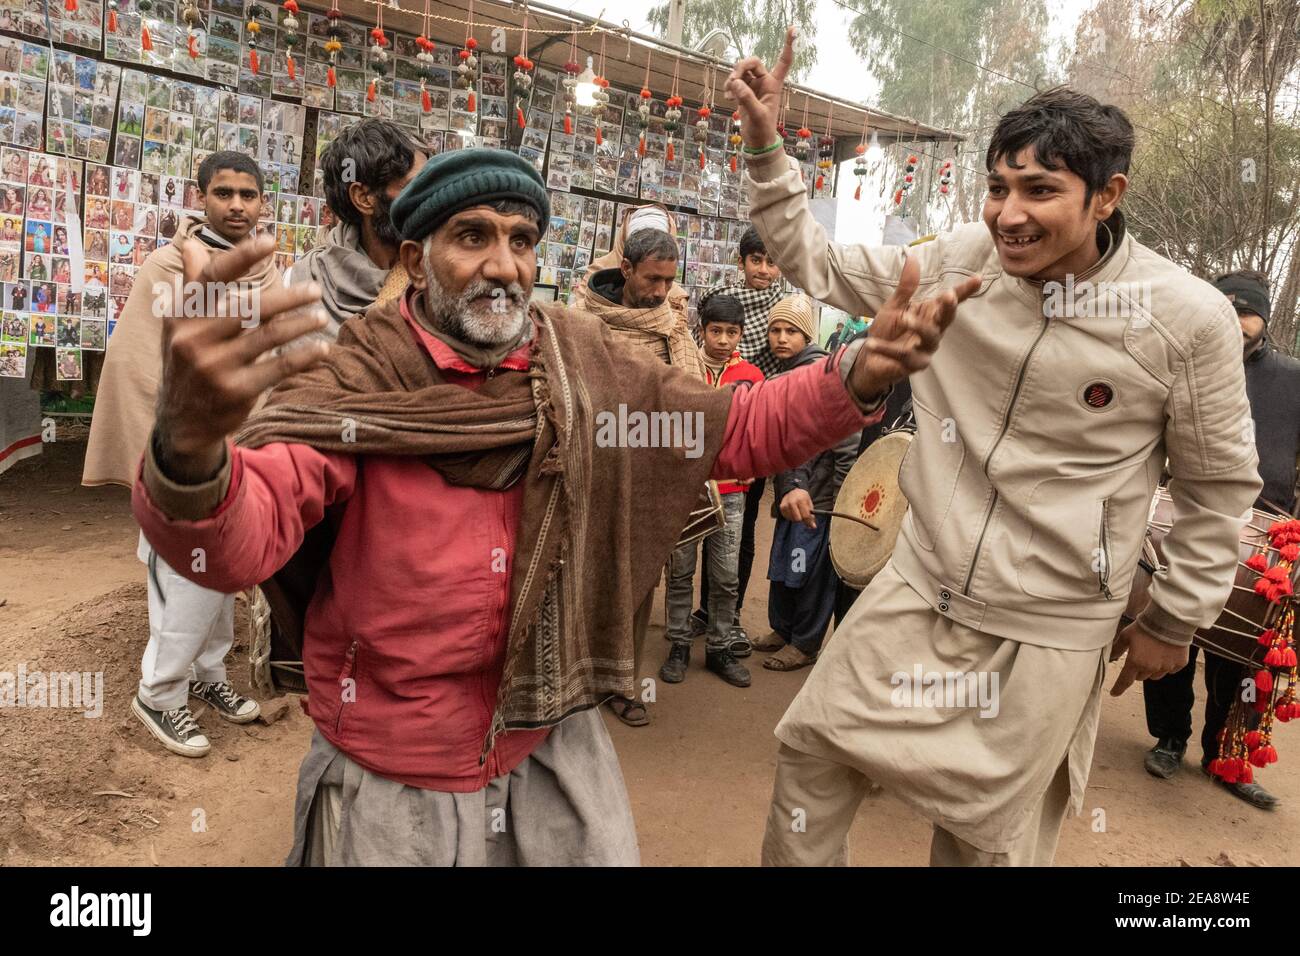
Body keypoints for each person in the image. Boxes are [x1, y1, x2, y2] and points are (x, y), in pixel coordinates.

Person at [126, 148, 956, 866]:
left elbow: (733, 431)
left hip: (551, 747)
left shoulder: (581, 366)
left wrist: (857, 375)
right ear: (414, 260)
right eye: (473, 237)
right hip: (396, 781)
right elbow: (237, 542)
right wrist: (190, 447)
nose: (504, 264)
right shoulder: (355, 383)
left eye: (521, 239)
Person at [730, 31, 1260, 866]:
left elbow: (1220, 486)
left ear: (1107, 195)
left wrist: (1176, 618)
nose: (1009, 214)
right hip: (917, 590)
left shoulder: (1185, 319)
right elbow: (819, 262)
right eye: (998, 187)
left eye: (1040, 190)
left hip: (1048, 629)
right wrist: (767, 147)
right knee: (810, 756)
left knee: (985, 843)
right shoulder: (956, 262)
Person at [83, 151, 283, 758]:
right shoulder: (166, 267)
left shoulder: (268, 273)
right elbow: (142, 364)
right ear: (200, 197)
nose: (237, 206)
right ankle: (160, 694)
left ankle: (208, 677)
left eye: (249, 195)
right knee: (184, 570)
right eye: (224, 193)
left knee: (226, 570)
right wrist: (174, 450)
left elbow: (263, 364)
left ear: (262, 203)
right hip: (181, 455)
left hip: (239, 451)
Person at [1142, 270, 1300, 810]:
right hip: (1187, 517)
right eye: (1224, 309)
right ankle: (1169, 737)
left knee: (1247, 662)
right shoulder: (1184, 360)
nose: (1235, 322)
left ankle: (1224, 756)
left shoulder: (1293, 378)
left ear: (1265, 318)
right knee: (1171, 627)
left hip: (1268, 538)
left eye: (1246, 312)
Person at [572, 219, 704, 726]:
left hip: (649, 475)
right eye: (652, 280)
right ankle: (574, 677)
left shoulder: (674, 327)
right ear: (625, 268)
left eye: (670, 281)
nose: (662, 292)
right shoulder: (583, 319)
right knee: (582, 575)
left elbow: (691, 393)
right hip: (593, 469)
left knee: (638, 577)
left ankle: (624, 683)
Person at [689, 225, 787, 654]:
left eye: (771, 260)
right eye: (755, 260)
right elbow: (695, 352)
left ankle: (725, 616)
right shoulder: (720, 304)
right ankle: (700, 612)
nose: (763, 270)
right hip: (714, 430)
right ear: (741, 261)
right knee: (701, 522)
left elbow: (793, 362)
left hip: (757, 431)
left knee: (739, 531)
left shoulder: (788, 307)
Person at [659, 292, 764, 688]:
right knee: (681, 570)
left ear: (740, 334)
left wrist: (753, 464)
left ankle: (720, 647)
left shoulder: (752, 377)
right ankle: (679, 645)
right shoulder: (682, 371)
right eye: (715, 330)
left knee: (725, 576)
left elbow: (757, 430)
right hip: (685, 489)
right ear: (701, 331)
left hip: (733, 490)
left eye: (731, 332)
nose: (723, 339)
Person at [752, 294, 859, 674]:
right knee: (783, 566)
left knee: (810, 574)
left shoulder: (821, 377)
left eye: (791, 331)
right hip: (790, 496)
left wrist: (840, 505)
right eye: (775, 330)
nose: (781, 338)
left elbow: (845, 445)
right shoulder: (786, 372)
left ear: (808, 334)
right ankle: (782, 629)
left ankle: (805, 643)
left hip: (819, 499)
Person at [289, 118, 427, 337]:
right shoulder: (301, 280)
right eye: (415, 187)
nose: (429, 197)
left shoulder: (437, 274)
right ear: (363, 198)